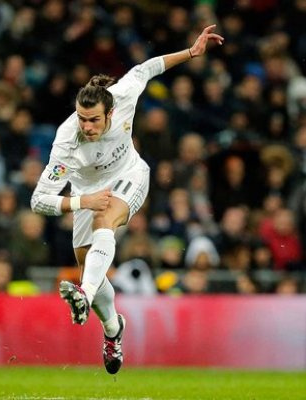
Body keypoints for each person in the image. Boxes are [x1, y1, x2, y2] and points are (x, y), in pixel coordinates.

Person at [31, 25, 224, 374]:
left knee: (105, 220)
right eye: (81, 119)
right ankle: (112, 328)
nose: (86, 127)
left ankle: (85, 294)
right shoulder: (66, 141)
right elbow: (38, 201)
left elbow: (147, 68)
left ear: (109, 113)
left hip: (130, 176)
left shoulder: (122, 96)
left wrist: (190, 53)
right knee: (90, 263)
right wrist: (80, 202)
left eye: (93, 120)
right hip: (86, 194)